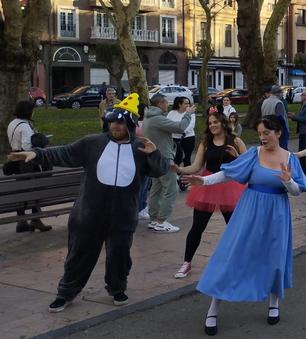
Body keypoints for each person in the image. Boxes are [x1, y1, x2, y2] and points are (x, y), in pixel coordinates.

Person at [7, 94, 166, 311]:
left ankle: (117, 288)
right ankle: (66, 292)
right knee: (79, 256)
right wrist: (36, 154)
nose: (115, 126)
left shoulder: (141, 148)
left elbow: (160, 170)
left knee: (119, 256)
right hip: (89, 214)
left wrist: (154, 154)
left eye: (120, 122)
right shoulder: (93, 143)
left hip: (123, 216)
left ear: (129, 124)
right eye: (112, 121)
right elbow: (64, 152)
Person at [182, 116, 306, 335]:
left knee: (274, 258)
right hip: (249, 210)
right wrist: (203, 181)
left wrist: (288, 181)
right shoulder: (253, 154)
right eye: (259, 134)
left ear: (278, 133)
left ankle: (273, 303)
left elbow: (298, 190)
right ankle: (213, 308)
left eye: (266, 133)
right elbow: (228, 173)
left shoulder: (290, 159)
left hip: (276, 213)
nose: (262, 138)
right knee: (232, 255)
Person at [171, 112, 247, 279]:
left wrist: (237, 156)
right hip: (207, 185)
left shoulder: (235, 140)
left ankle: (240, 262)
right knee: (197, 227)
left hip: (231, 186)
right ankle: (186, 263)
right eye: (210, 123)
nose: (212, 125)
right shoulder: (205, 142)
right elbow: (196, 166)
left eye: (216, 122)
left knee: (234, 228)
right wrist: (180, 169)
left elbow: (248, 164)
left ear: (223, 123)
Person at [143, 93, 195, 233]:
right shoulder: (157, 119)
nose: (168, 105)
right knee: (172, 188)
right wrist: (188, 114)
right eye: (166, 103)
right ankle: (161, 221)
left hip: (154, 158)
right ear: (160, 104)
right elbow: (180, 127)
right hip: (164, 158)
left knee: (156, 188)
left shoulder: (149, 118)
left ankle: (154, 220)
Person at [5, 100, 51, 232]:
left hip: (15, 157)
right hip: (27, 160)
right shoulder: (25, 126)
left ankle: (21, 220)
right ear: (28, 112)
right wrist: (42, 142)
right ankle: (36, 219)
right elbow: (27, 146)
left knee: (21, 190)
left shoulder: (12, 123)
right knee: (34, 190)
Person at [168, 96, 196, 191]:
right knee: (176, 158)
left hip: (188, 138)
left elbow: (191, 125)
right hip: (175, 139)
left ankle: (186, 181)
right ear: (179, 104)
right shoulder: (172, 113)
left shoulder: (191, 113)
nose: (188, 105)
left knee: (187, 158)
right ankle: (176, 176)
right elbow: (169, 124)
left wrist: (182, 130)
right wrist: (177, 130)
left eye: (188, 103)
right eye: (185, 103)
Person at [261, 85, 290, 149]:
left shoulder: (265, 101)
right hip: (277, 131)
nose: (282, 94)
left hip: (266, 128)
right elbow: (280, 118)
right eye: (282, 93)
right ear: (278, 93)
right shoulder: (278, 102)